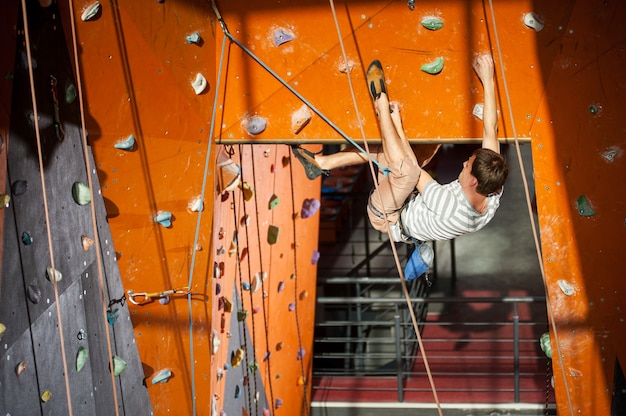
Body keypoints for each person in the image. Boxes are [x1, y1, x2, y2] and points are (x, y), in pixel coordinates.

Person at [292, 55, 508, 246]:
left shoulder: (449, 206)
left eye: (467, 166)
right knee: (404, 151)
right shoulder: (493, 191)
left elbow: (413, 171)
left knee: (406, 170)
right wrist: (488, 79)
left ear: (473, 182)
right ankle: (322, 164)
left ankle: (380, 103)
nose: (463, 164)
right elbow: (490, 130)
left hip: (388, 216)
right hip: (408, 200)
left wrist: (396, 124)